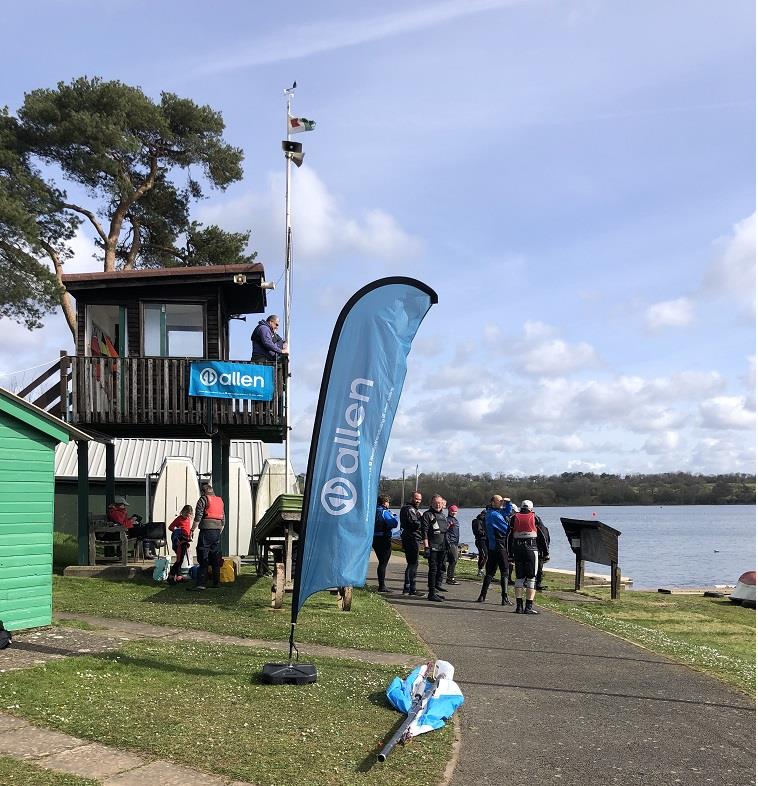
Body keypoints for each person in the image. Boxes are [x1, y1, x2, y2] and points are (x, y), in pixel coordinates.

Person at [507, 499, 549, 614]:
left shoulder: (513, 518)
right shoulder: (535, 518)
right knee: (531, 578)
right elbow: (543, 536)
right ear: (531, 509)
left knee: (519, 578)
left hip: (517, 550)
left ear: (521, 508)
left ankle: (519, 607)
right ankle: (528, 607)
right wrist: (545, 553)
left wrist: (510, 554)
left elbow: (508, 537)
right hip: (531, 549)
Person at [187, 483, 225, 591]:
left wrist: (192, 529)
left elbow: (198, 517)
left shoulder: (203, 499)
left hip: (206, 530)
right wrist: (218, 531)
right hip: (217, 530)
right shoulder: (219, 501)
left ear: (203, 492)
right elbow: (223, 520)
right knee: (214, 556)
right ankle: (216, 582)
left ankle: (201, 584)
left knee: (203, 555)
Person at [476, 495, 512, 605]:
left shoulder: (492, 512)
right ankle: (504, 598)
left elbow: (506, 512)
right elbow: (506, 528)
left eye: (502, 501)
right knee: (504, 571)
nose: (502, 502)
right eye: (499, 501)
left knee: (490, 572)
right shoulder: (494, 515)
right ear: (492, 502)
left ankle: (482, 595)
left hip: (492, 546)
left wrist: (508, 503)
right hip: (499, 546)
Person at [420, 494, 448, 602]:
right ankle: (431, 593)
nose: (438, 505)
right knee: (433, 569)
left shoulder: (443, 515)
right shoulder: (427, 515)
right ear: (431, 503)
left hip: (443, 546)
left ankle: (435, 591)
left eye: (439, 503)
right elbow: (424, 532)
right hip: (432, 546)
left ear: (442, 503)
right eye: (435, 503)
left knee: (440, 569)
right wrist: (426, 547)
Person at [399, 491, 424, 596]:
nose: (418, 501)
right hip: (411, 538)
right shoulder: (409, 509)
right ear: (411, 498)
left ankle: (408, 587)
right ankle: (410, 588)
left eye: (419, 499)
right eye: (416, 498)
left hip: (412, 538)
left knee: (412, 563)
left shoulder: (413, 509)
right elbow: (414, 524)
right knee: (413, 563)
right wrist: (423, 519)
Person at [373, 495, 397, 593]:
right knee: (383, 563)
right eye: (388, 502)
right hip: (384, 538)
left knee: (381, 561)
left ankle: (381, 585)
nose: (388, 504)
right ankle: (382, 586)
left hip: (374, 538)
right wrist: (395, 516)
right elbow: (394, 524)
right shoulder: (384, 512)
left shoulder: (373, 511)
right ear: (385, 503)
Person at [168, 505, 193, 581]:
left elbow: (188, 530)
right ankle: (171, 575)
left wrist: (190, 534)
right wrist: (177, 530)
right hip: (179, 542)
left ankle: (178, 576)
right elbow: (170, 527)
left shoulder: (188, 519)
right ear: (183, 512)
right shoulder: (179, 519)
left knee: (180, 559)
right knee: (179, 560)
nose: (188, 515)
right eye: (186, 513)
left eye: (189, 513)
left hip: (185, 541)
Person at [445, 504, 461, 585]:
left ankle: (450, 577)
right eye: (452, 511)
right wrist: (448, 542)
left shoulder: (455, 520)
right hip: (451, 543)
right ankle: (450, 578)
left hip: (455, 542)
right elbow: (445, 531)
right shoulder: (448, 520)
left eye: (455, 511)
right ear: (449, 511)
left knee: (453, 560)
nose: (454, 512)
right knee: (454, 560)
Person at [535, 518, 551, 591]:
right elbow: (547, 540)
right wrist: (546, 552)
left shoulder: (539, 528)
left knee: (537, 568)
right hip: (540, 551)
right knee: (539, 568)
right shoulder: (544, 528)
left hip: (538, 550)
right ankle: (538, 583)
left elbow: (545, 540)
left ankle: (535, 583)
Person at [472, 508, 488, 576]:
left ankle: (481, 570)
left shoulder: (482, 521)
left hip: (484, 540)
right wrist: (487, 532)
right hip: (480, 540)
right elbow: (478, 532)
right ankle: (480, 570)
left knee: (482, 556)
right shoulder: (478, 521)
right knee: (485, 555)